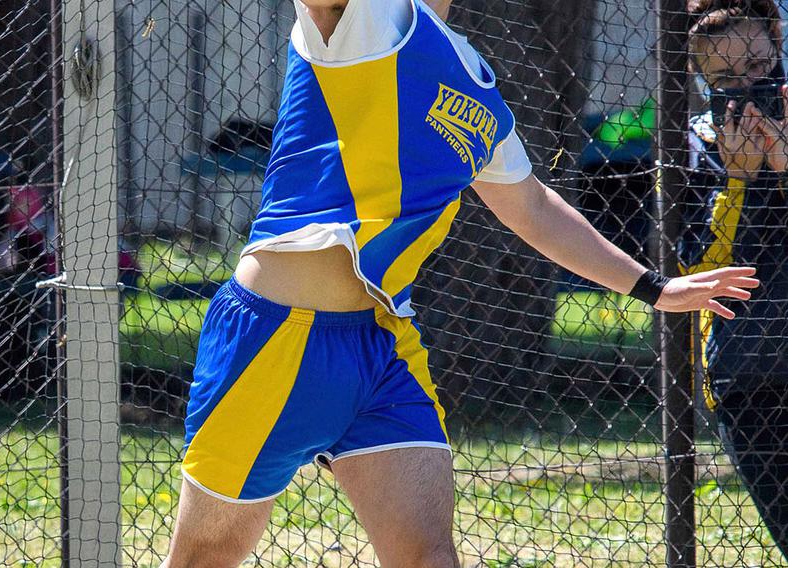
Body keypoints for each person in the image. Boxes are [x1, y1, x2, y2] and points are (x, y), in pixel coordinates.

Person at [161, 1, 759, 566]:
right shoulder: (367, 19)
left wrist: (654, 288)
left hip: (383, 346)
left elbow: (531, 207)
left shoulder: (474, 78)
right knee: (203, 559)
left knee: (429, 558)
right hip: (275, 335)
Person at [682, 0, 788, 559]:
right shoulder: (696, 144)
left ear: (777, 40)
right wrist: (740, 181)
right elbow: (697, 272)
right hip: (750, 378)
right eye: (723, 78)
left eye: (756, 67)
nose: (745, 88)